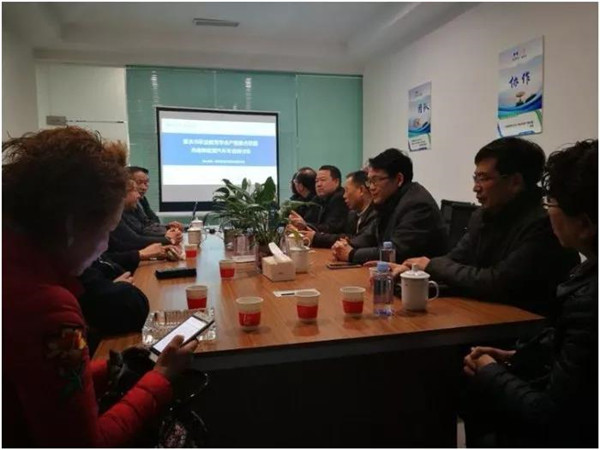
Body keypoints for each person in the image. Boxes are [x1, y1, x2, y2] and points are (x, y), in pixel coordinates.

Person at [2, 127, 197, 447]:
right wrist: (160, 377)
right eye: (105, 230)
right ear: (72, 227)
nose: (105, 245)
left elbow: (44, 384)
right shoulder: (48, 308)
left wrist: (114, 366)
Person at [460, 139, 598, 447]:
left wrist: (491, 372)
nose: (548, 210)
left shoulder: (589, 302)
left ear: (585, 224)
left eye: (552, 202)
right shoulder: (587, 274)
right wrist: (515, 358)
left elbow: (553, 417)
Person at [401, 137, 579, 315]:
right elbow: (456, 259)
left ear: (515, 182)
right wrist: (414, 272)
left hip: (527, 323)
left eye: (483, 178)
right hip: (484, 314)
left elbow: (498, 282)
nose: (475, 188)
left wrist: (431, 266)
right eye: (475, 178)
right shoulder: (482, 216)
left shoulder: (543, 225)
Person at [332, 148, 447, 264]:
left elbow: (397, 251)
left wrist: (352, 254)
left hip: (419, 274)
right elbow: (370, 235)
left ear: (399, 179)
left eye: (376, 180)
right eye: (369, 181)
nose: (371, 187)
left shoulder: (417, 205)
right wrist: (347, 245)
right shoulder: (389, 201)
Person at [305, 170, 377, 249]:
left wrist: (316, 237)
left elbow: (358, 240)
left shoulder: (376, 214)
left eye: (347, 190)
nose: (344, 196)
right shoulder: (352, 214)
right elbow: (345, 236)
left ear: (361, 190)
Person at [109, 179, 183, 252]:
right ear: (123, 194)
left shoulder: (131, 209)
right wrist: (167, 239)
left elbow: (145, 227)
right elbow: (134, 240)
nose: (138, 195)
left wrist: (167, 229)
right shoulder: (113, 215)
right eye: (135, 190)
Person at [289, 165, 349, 234]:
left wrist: (305, 225)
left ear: (336, 182)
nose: (318, 184)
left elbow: (331, 228)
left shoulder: (340, 198)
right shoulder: (318, 198)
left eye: (323, 180)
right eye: (316, 181)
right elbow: (308, 219)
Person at [129, 166, 184, 231]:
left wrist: (168, 227)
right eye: (139, 182)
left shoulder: (142, 200)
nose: (144, 187)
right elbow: (140, 231)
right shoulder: (126, 205)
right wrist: (167, 235)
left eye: (146, 183)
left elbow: (154, 221)